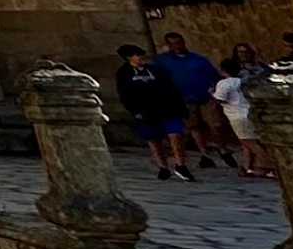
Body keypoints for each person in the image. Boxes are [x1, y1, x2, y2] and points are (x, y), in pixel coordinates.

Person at [113, 44, 194, 180]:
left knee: (175, 135)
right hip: (145, 112)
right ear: (129, 58)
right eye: (137, 55)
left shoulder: (156, 71)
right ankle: (162, 166)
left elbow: (171, 88)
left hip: (167, 109)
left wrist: (181, 108)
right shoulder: (124, 74)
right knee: (154, 140)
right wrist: (134, 110)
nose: (140, 58)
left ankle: (181, 165)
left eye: (141, 55)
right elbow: (124, 94)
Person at [156, 31, 224, 159]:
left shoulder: (198, 59)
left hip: (206, 97)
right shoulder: (162, 61)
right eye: (173, 44)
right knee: (193, 126)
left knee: (215, 124)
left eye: (179, 42)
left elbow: (214, 76)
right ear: (169, 45)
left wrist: (216, 91)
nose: (177, 46)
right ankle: (204, 152)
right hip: (184, 99)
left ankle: (222, 148)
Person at [211, 45, 273, 180]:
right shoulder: (241, 81)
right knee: (245, 141)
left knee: (250, 142)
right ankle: (247, 167)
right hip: (247, 112)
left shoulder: (224, 83)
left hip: (236, 116)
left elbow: (220, 99)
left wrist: (211, 94)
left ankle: (269, 166)